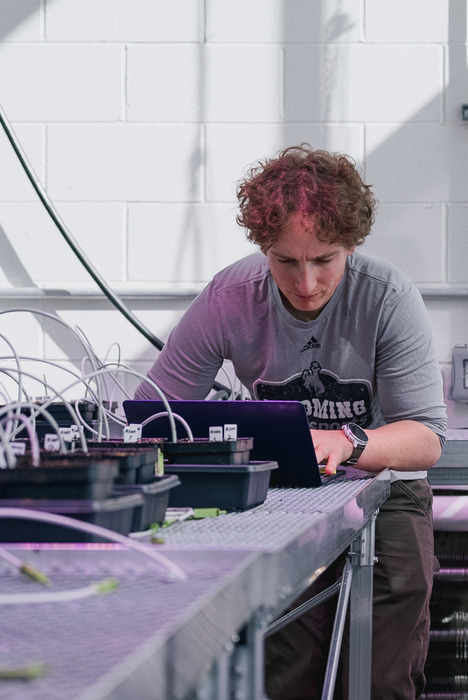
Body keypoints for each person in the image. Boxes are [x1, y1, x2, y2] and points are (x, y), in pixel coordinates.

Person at [135, 145, 446, 700]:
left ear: (352, 244)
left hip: (388, 490)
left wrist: (345, 442)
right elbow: (155, 416)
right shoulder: (230, 298)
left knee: (380, 679)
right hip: (286, 495)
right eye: (285, 261)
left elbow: (424, 439)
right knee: (287, 672)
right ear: (262, 249)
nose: (305, 283)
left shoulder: (388, 297)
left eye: (325, 259)